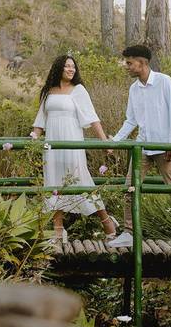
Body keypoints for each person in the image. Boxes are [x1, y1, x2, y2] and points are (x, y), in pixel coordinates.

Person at [106, 45, 171, 249]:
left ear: (143, 63)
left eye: (130, 63)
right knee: (130, 188)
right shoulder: (134, 89)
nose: (127, 66)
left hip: (165, 147)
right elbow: (131, 120)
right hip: (142, 147)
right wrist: (115, 142)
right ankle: (129, 233)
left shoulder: (165, 82)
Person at [31, 55, 117, 243]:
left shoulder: (78, 90)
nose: (71, 69)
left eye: (73, 67)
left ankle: (108, 224)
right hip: (52, 145)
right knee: (54, 183)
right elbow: (40, 119)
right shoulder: (48, 91)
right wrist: (33, 137)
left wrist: (105, 143)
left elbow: (92, 117)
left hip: (72, 142)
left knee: (82, 181)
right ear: (58, 68)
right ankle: (58, 232)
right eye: (67, 66)